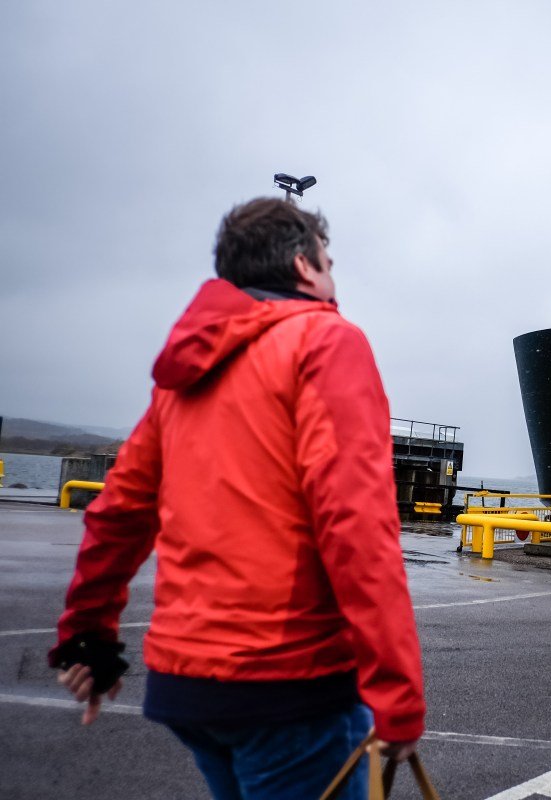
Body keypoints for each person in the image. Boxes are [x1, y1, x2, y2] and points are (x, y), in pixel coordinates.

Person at [51, 197, 425, 799]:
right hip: (289, 685)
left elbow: (117, 514)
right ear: (305, 267)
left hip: (188, 687)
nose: (334, 280)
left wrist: (88, 640)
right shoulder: (325, 342)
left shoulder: (185, 374)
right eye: (330, 262)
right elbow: (356, 528)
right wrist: (399, 696)